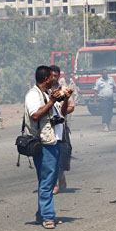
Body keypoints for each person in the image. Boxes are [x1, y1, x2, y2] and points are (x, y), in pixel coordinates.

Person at [25, 66, 71, 229]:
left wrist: (64, 99)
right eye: (53, 77)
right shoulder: (33, 95)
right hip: (45, 143)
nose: (56, 79)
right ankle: (48, 216)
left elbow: (62, 115)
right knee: (48, 181)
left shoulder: (47, 94)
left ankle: (41, 214)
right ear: (46, 79)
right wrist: (51, 101)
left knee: (49, 180)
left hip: (55, 141)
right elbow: (35, 115)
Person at [50, 65, 75, 194]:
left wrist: (61, 112)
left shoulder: (65, 90)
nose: (54, 78)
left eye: (56, 76)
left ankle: (61, 175)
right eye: (52, 75)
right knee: (51, 155)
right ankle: (53, 183)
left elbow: (71, 106)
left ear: (59, 76)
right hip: (48, 128)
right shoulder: (43, 91)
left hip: (62, 127)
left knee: (65, 152)